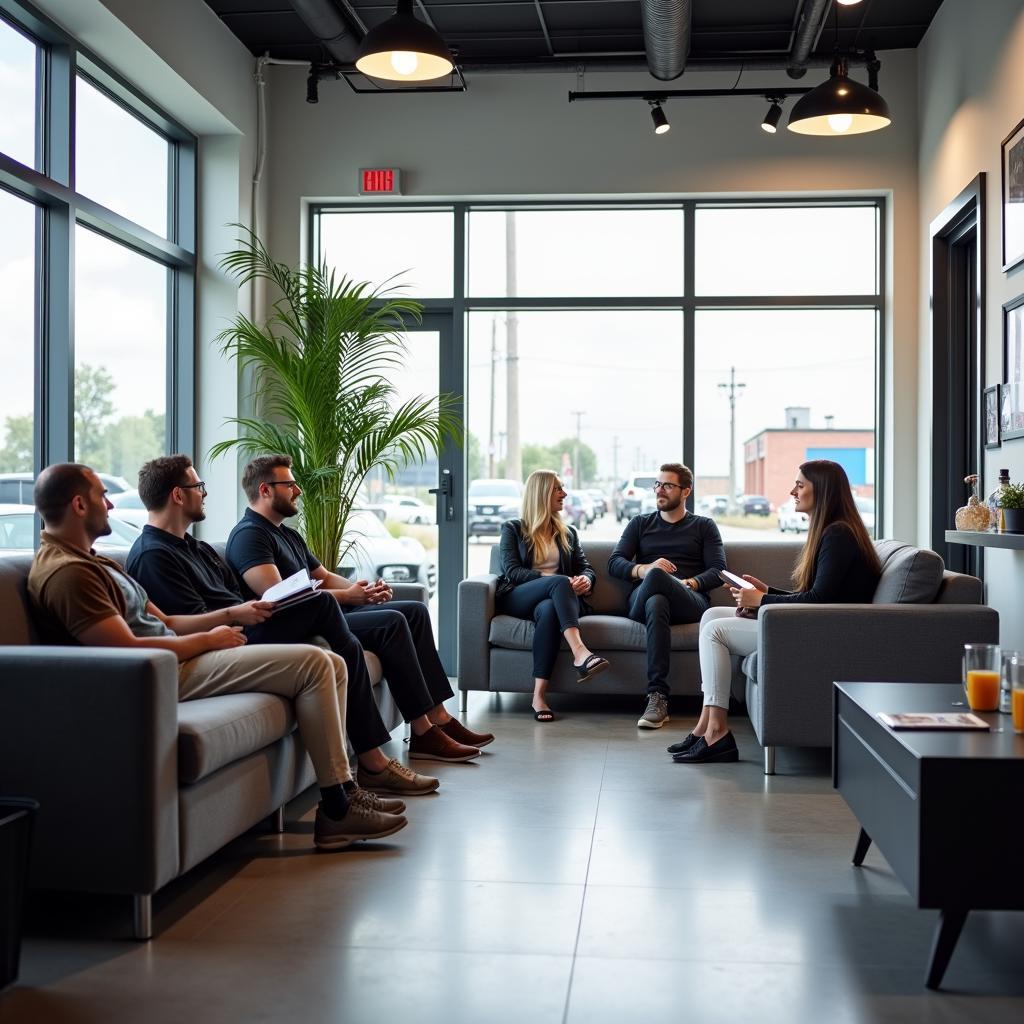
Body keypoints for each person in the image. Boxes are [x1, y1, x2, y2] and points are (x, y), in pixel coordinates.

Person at [27, 463, 406, 850]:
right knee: (314, 661)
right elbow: (128, 650)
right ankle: (338, 808)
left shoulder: (94, 560)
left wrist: (229, 617)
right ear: (78, 505)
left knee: (333, 660)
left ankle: (345, 793)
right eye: (99, 496)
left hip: (178, 658)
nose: (110, 503)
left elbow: (167, 619)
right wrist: (209, 641)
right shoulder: (67, 573)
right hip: (164, 673)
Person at [125, 454, 442, 800]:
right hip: (228, 640)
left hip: (248, 625)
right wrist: (236, 614)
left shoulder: (196, 547)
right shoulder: (154, 554)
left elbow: (245, 594)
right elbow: (187, 622)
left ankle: (401, 742)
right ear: (177, 495)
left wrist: (354, 592)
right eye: (198, 487)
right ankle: (374, 761)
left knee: (378, 619)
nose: (204, 493)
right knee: (328, 608)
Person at [225, 455, 494, 777]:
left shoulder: (287, 534)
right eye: (290, 484)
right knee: (391, 622)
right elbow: (277, 597)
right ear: (266, 490)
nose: (297, 490)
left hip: (321, 615)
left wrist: (361, 590)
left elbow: (322, 576)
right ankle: (422, 733)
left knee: (415, 611)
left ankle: (439, 717)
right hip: (293, 628)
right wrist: (347, 597)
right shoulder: (249, 536)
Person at [673, 459, 882, 764]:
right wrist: (767, 593)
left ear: (821, 490)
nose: (792, 491)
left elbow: (820, 601)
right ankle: (704, 725)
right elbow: (819, 596)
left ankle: (717, 733)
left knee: (715, 631)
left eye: (800, 485)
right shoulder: (834, 531)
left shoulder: (839, 535)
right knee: (712, 616)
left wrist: (761, 601)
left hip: (822, 632)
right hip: (814, 623)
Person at [608, 462, 726, 729]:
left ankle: (658, 698)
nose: (660, 490)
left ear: (686, 491)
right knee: (656, 594)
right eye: (658, 484)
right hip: (642, 600)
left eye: (668, 485)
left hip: (690, 600)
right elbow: (614, 563)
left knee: (660, 591)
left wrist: (689, 583)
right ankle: (657, 696)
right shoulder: (640, 524)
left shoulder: (704, 526)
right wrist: (645, 569)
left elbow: (718, 570)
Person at [495, 470, 607, 722]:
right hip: (519, 597)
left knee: (548, 610)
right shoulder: (513, 529)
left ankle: (538, 696)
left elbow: (585, 567)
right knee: (556, 584)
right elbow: (512, 572)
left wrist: (585, 579)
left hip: (553, 602)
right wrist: (558, 581)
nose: (564, 494)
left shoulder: (568, 533)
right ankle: (580, 652)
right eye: (558, 488)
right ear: (541, 493)